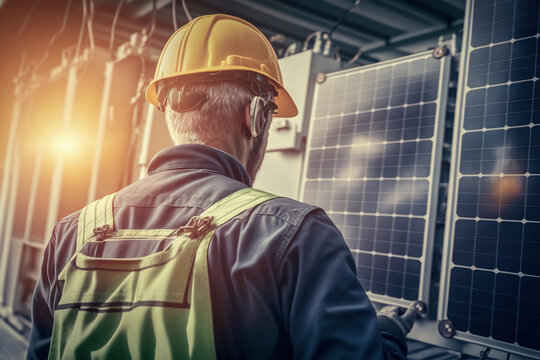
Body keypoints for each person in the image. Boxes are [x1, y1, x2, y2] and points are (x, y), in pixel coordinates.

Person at [27, 14, 419, 359]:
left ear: (171, 115)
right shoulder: (295, 234)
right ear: (257, 116)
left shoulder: (70, 233)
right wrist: (385, 336)